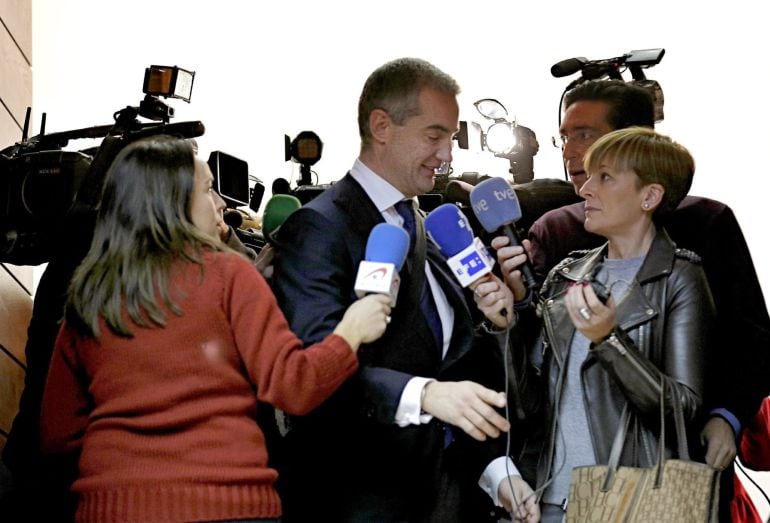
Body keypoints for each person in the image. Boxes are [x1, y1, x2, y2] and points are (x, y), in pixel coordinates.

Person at [38, 136, 393, 523]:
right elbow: (295, 385)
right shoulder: (228, 274)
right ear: (172, 203)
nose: (223, 204)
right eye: (208, 189)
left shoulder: (90, 294)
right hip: (227, 505)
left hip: (110, 508)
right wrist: (352, 331)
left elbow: (57, 434)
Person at [271, 57, 539, 522]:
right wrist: (425, 394)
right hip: (358, 499)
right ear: (381, 126)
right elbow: (314, 369)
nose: (447, 154)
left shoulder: (426, 226)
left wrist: (496, 468)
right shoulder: (320, 227)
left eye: (452, 138)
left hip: (449, 494)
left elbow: (450, 361)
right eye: (435, 136)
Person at [494, 79, 770, 521]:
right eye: (565, 136)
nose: (572, 152)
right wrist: (509, 318)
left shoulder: (699, 238)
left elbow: (749, 339)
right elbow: (534, 388)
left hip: (646, 490)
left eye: (585, 135)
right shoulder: (557, 240)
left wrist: (729, 416)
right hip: (548, 490)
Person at [514, 127, 715, 521]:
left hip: (630, 502)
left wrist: (609, 341)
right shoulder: (566, 275)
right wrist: (506, 319)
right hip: (548, 499)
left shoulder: (679, 277)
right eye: (589, 176)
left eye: (604, 177)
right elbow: (528, 401)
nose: (586, 189)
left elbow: (680, 410)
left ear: (649, 196)